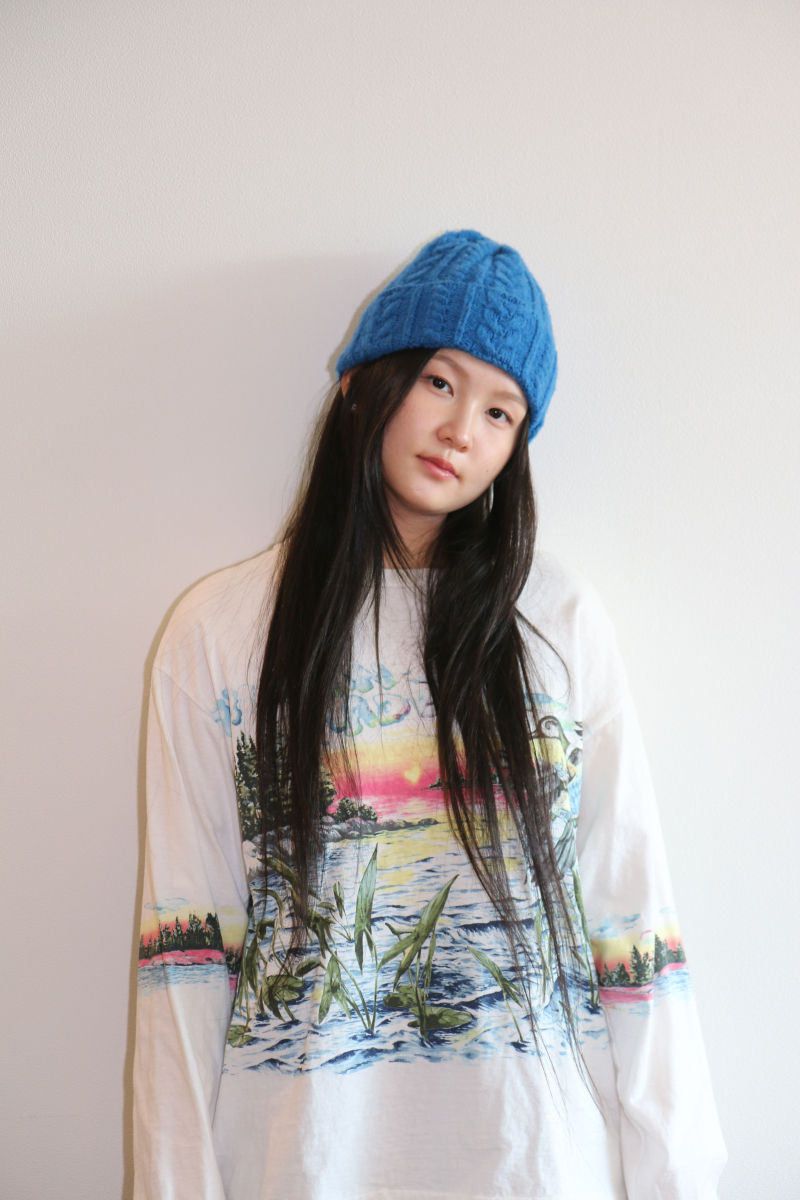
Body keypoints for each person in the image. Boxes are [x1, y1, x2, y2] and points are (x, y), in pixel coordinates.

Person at [133, 230, 726, 1200]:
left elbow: (632, 919)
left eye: (499, 411)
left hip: (536, 1165)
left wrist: (681, 1178)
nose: (460, 431)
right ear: (362, 384)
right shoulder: (220, 632)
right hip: (301, 1164)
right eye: (439, 383)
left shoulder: (558, 624)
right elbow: (186, 954)